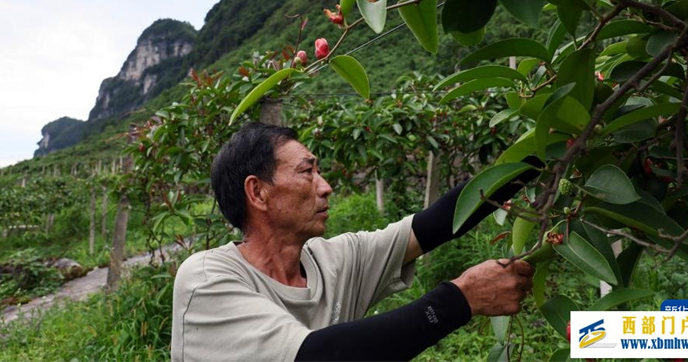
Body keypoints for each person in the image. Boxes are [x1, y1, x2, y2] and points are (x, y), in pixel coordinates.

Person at [171, 122, 537, 362]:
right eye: (307, 171)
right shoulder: (206, 280)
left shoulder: (329, 258)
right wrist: (462, 298)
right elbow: (322, 355)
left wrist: (538, 159)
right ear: (258, 192)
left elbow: (430, 226)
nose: (325, 185)